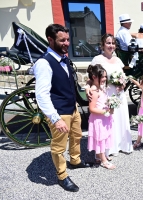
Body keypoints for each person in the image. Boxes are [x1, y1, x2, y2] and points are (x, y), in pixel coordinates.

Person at [33, 24, 89, 192]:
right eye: (62, 40)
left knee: (77, 135)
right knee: (58, 147)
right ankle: (62, 175)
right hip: (59, 112)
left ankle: (75, 160)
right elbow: (41, 95)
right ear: (50, 40)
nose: (66, 43)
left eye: (67, 39)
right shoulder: (44, 63)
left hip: (72, 108)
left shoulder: (63, 58)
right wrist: (55, 118)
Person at [88, 33, 133, 156]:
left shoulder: (118, 60)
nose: (111, 45)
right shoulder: (97, 59)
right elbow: (91, 78)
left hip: (119, 94)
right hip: (106, 94)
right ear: (102, 45)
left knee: (120, 118)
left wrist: (122, 84)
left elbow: (123, 76)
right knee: (109, 120)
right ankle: (109, 148)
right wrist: (88, 87)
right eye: (108, 43)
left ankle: (122, 144)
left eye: (113, 43)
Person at [87, 64, 116, 170]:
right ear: (94, 77)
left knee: (103, 138)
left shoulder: (100, 88)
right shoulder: (94, 91)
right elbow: (92, 109)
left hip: (103, 118)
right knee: (100, 139)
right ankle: (104, 160)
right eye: (102, 77)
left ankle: (99, 156)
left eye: (105, 76)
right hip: (98, 119)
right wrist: (105, 112)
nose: (104, 79)